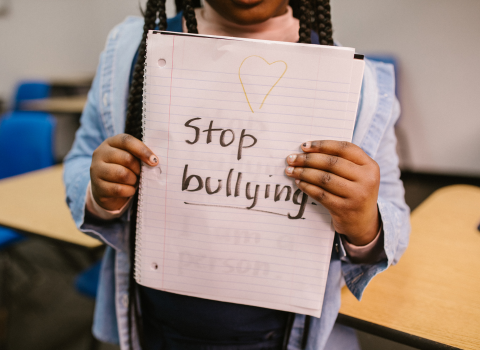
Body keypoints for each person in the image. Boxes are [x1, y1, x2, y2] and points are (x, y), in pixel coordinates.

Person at [63, 0, 410, 349]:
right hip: (154, 323)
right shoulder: (131, 51)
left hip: (283, 335)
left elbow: (394, 215)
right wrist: (100, 194)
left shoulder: (360, 86)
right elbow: (81, 159)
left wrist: (365, 224)